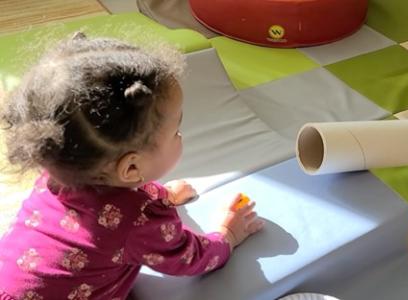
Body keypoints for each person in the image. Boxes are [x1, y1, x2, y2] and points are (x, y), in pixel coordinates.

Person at [0, 32, 264, 299]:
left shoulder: (58, 171)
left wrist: (162, 195)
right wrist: (228, 234)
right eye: (176, 131)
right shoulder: (142, 219)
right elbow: (189, 258)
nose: (181, 136)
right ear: (131, 169)